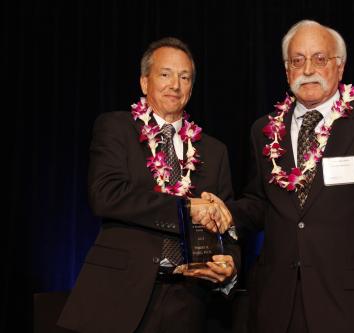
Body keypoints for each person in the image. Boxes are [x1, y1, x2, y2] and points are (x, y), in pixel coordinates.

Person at [200, 20, 354, 333]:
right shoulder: (263, 130)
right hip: (277, 304)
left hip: (352, 307)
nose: (308, 69)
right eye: (297, 60)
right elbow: (261, 204)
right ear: (287, 69)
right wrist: (225, 212)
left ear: (340, 66)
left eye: (320, 59)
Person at [57, 37, 239, 333]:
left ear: (192, 87)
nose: (175, 85)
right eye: (165, 74)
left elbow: (226, 224)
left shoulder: (214, 151)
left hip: (187, 303)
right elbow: (106, 195)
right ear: (144, 82)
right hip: (118, 295)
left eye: (185, 77)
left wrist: (231, 265)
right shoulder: (116, 127)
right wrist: (185, 208)